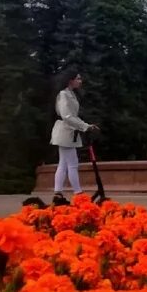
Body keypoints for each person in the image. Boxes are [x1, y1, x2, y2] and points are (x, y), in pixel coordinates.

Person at [50, 70, 97, 203]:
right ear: (70, 80)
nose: (80, 81)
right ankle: (78, 193)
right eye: (78, 79)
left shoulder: (70, 94)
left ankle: (58, 192)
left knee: (64, 164)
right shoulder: (64, 94)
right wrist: (85, 126)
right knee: (72, 164)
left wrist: (84, 125)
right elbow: (67, 116)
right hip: (65, 131)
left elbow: (71, 116)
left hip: (68, 131)